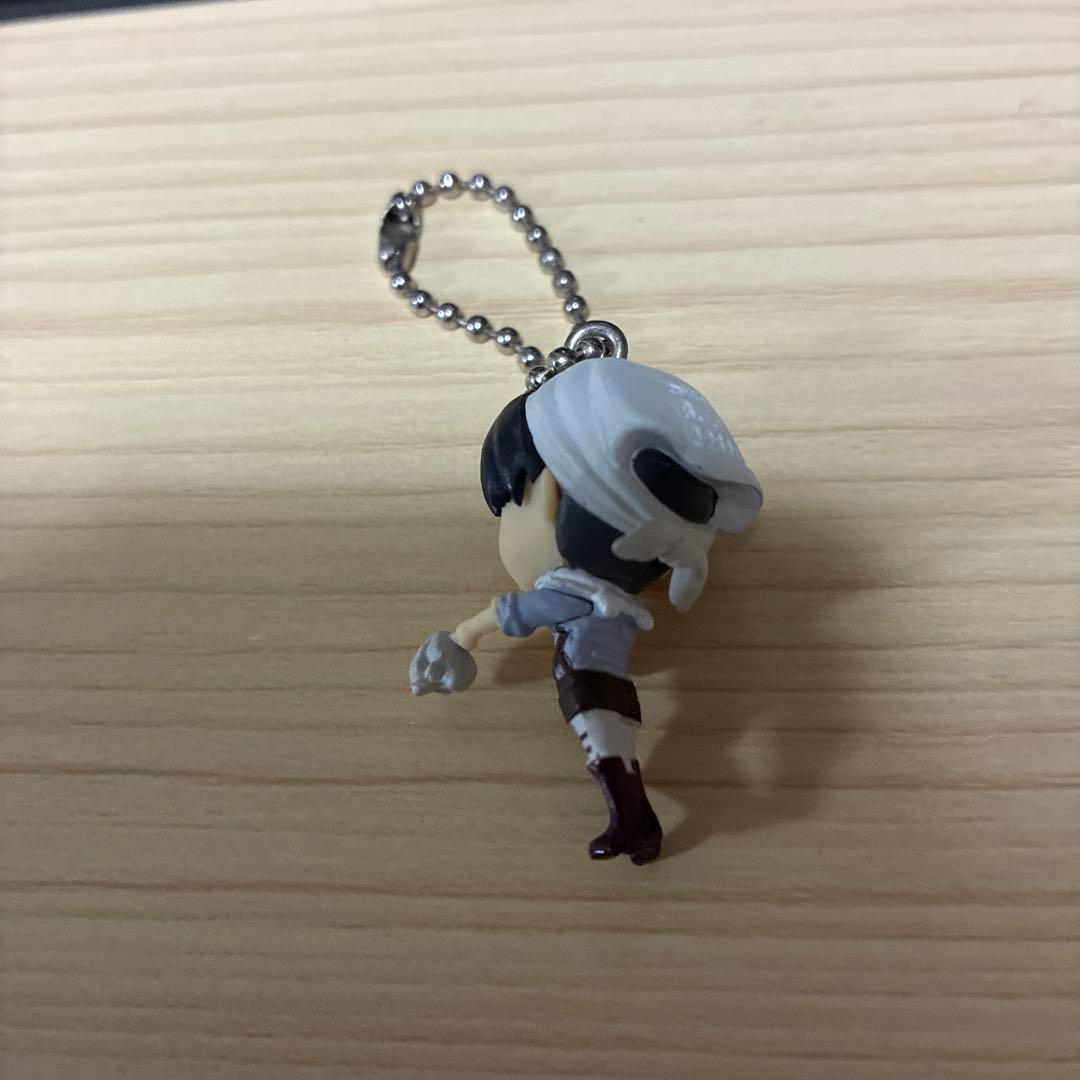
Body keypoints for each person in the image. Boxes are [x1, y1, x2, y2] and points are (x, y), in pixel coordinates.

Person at [410, 356, 762, 864]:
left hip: (591, 684)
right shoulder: (611, 600)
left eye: (507, 507)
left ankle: (634, 823)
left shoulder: (574, 594)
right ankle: (635, 823)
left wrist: (464, 634)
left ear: (548, 495)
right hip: (601, 684)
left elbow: (519, 612)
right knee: (611, 754)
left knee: (606, 754)